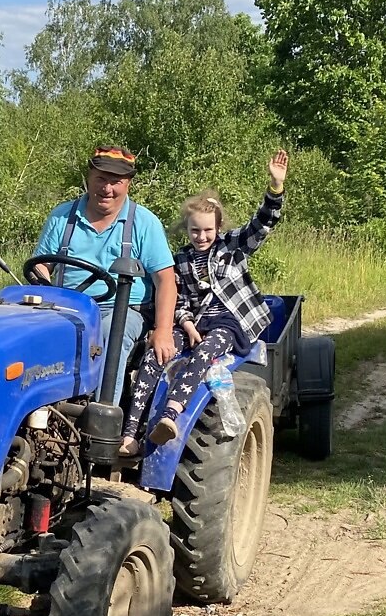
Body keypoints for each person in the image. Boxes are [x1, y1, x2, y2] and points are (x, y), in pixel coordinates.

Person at [120, 149, 290, 454]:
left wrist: (275, 188)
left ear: (218, 228)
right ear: (187, 229)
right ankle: (129, 434)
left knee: (205, 353)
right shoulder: (181, 259)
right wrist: (185, 322)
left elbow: (263, 223)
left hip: (229, 321)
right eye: (195, 230)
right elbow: (178, 297)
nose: (201, 236)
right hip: (195, 321)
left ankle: (171, 414)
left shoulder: (233, 247)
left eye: (208, 230)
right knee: (155, 354)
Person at [32, 144, 177, 407]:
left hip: (122, 309)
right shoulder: (62, 216)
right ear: (89, 177)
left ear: (128, 184)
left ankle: (101, 421)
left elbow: (166, 280)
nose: (107, 189)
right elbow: (41, 266)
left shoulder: (144, 223)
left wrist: (164, 329)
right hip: (66, 307)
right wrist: (40, 280)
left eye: (116, 182)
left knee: (111, 333)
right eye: (101, 179)